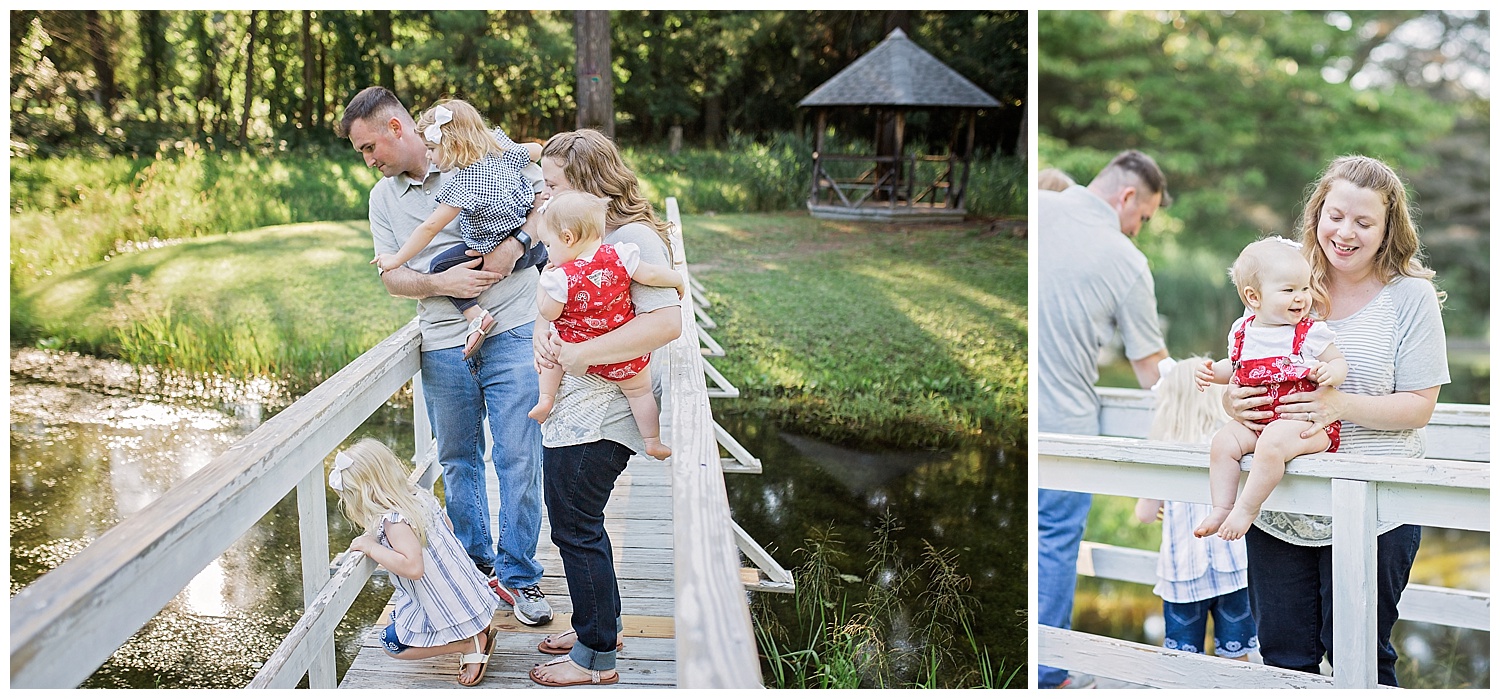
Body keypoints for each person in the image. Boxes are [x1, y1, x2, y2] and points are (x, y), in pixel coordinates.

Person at [1223, 155, 1447, 687]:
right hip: (1281, 506)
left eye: (1364, 222)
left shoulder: (1409, 298)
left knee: (1361, 661)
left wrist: (1338, 405)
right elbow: (1249, 367)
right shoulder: (1288, 280)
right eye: (1335, 215)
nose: (1345, 233)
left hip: (1374, 509)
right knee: (1282, 659)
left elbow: (1419, 405)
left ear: (1388, 229)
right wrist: (1233, 403)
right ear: (1317, 213)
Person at [337, 86, 554, 628]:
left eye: (369, 147)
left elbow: (546, 202)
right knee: (459, 463)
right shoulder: (382, 199)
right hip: (442, 342)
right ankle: (477, 570)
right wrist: (442, 281)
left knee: (519, 458)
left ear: (396, 128)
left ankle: (520, 577)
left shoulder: (473, 150)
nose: (368, 160)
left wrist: (516, 247)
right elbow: (392, 279)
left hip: (515, 328)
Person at [525, 129, 683, 687]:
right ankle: (603, 622)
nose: (544, 196)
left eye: (553, 184)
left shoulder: (632, 239)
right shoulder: (589, 240)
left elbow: (666, 321)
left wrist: (572, 354)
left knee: (575, 526)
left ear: (587, 181)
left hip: (600, 415)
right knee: (580, 525)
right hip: (575, 412)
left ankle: (595, 657)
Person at [1036, 149, 1172, 689]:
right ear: (1128, 198)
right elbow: (1151, 372)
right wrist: (1206, 387)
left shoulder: (1039, 205)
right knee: (1052, 542)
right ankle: (1047, 675)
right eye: (1144, 218)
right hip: (1065, 426)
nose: (1139, 231)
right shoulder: (1126, 260)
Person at [1191, 237, 1348, 540]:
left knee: (1273, 442)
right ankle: (1222, 506)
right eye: (1289, 290)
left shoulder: (1308, 333)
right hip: (1257, 423)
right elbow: (1234, 367)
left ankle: (1247, 508)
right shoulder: (1243, 331)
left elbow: (1338, 361)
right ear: (1254, 297)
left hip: (1303, 426)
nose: (1301, 298)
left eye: (1304, 288)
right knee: (1223, 443)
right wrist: (1212, 372)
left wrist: (1331, 372)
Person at [370, 98, 548, 359]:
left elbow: (429, 229)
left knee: (440, 266)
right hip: (531, 249)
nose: (428, 155)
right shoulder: (502, 154)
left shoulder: (464, 183)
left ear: (454, 145)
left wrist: (395, 259)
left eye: (431, 148)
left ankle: (476, 317)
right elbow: (536, 150)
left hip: (487, 252)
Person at [527, 189, 683, 460]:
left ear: (568, 238)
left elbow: (549, 313)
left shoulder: (560, 277)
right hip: (621, 352)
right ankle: (652, 440)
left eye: (549, 245)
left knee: (550, 358)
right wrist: (677, 280)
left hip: (576, 351)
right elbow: (652, 274)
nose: (548, 253)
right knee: (640, 393)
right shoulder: (621, 255)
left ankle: (545, 399)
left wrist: (544, 285)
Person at [330, 439, 500, 686]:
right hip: (466, 592)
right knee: (395, 619)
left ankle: (468, 643)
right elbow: (448, 527)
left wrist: (371, 547)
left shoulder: (395, 522)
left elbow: (413, 568)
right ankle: (472, 630)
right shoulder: (418, 495)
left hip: (447, 602)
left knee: (391, 643)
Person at [1135, 357, 1258, 662]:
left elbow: (1145, 514)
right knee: (1237, 656)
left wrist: (1162, 504)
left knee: (1184, 661)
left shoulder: (1163, 449)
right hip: (1233, 566)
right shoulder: (1229, 442)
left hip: (1183, 572)